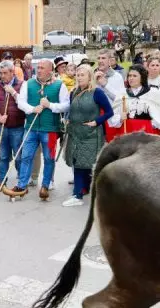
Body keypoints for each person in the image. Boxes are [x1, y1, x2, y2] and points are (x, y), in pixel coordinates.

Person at [10, 59, 71, 200]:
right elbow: (21, 102)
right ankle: (21, 185)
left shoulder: (59, 85)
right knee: (26, 156)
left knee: (49, 158)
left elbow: (66, 105)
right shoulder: (28, 83)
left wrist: (50, 105)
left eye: (43, 68)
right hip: (31, 127)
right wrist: (32, 109)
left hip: (50, 129)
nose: (39, 70)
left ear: (50, 70)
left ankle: (45, 185)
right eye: (38, 67)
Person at [62, 64, 114, 207]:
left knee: (91, 165)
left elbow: (110, 112)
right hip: (75, 133)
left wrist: (96, 122)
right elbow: (72, 110)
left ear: (90, 76)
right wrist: (68, 119)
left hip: (91, 135)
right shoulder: (73, 92)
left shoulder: (97, 92)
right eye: (78, 75)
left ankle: (90, 193)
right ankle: (78, 194)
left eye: (82, 75)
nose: (79, 77)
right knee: (78, 163)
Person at [0, 61, 25, 191]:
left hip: (17, 126)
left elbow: (23, 103)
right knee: (3, 156)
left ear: (12, 72)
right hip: (2, 126)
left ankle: (21, 182)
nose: (2, 76)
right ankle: (2, 181)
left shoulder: (22, 84)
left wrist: (13, 93)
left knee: (18, 156)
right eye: (1, 73)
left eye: (5, 73)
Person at [108, 65, 160, 136]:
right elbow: (113, 118)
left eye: (134, 76)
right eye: (129, 76)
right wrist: (120, 118)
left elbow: (159, 118)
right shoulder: (122, 94)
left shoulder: (152, 94)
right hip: (127, 132)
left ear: (142, 78)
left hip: (146, 132)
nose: (131, 78)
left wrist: (149, 125)